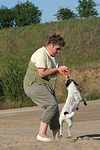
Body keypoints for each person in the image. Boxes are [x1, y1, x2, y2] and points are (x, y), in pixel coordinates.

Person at [23, 34, 68, 142]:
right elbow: (41, 73)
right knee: (51, 104)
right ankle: (41, 134)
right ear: (50, 45)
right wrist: (57, 69)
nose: (58, 51)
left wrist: (60, 71)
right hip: (33, 84)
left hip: (45, 86)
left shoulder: (53, 55)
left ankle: (57, 139)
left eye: (60, 49)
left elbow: (51, 72)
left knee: (55, 110)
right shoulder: (40, 54)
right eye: (57, 49)